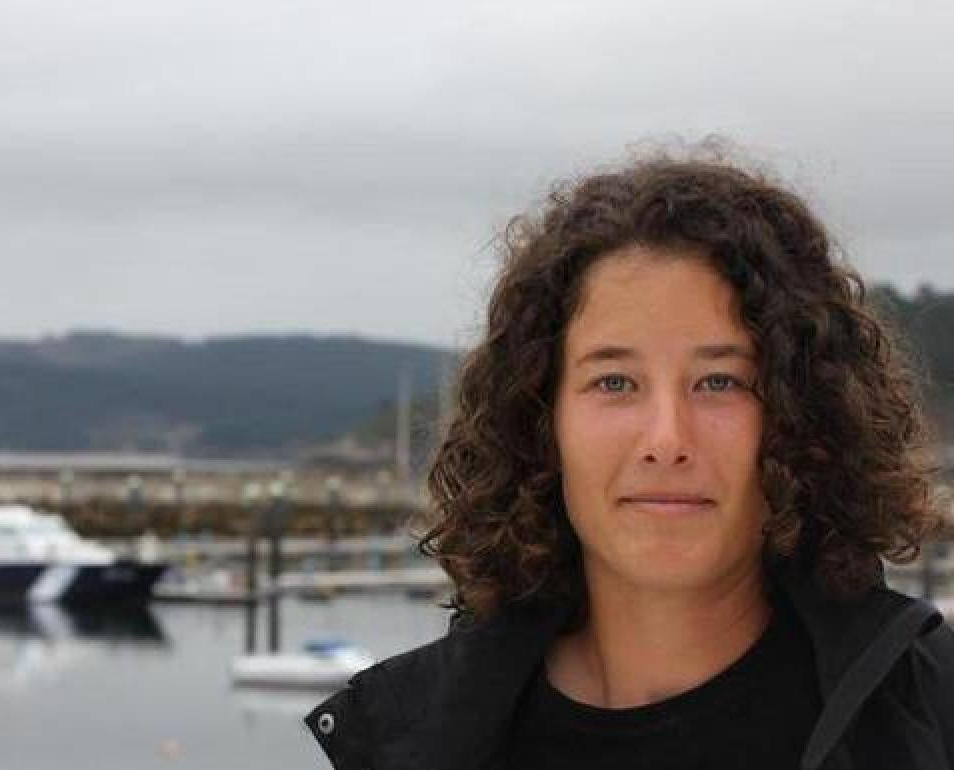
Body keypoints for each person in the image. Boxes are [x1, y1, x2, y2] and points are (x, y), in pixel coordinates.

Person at [304, 149, 954, 769]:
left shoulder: (926, 714)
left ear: (801, 413)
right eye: (614, 382)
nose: (666, 439)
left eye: (719, 381)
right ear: (540, 420)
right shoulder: (422, 744)